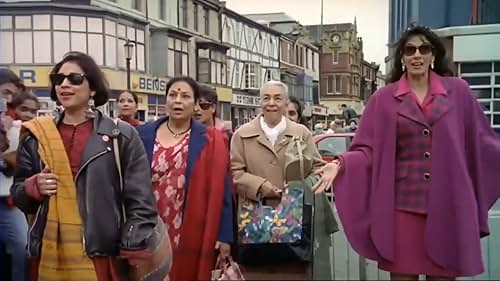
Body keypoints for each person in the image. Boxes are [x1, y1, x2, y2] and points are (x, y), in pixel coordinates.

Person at [315, 25, 500, 280]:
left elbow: (482, 142)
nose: (417, 55)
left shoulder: (459, 93)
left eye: (424, 49)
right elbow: (367, 149)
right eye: (409, 49)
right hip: (402, 208)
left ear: (433, 54)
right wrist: (339, 164)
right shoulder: (383, 99)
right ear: (401, 57)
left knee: (443, 275)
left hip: (448, 205)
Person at [11, 52, 160, 281]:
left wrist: (132, 243)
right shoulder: (36, 135)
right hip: (48, 256)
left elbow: (140, 199)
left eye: (75, 79)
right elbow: (19, 196)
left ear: (92, 88)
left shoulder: (121, 135)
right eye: (59, 79)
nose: (65, 85)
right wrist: (33, 187)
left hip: (100, 254)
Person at [230, 81, 338, 280]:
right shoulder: (241, 135)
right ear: (259, 102)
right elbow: (235, 174)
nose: (271, 103)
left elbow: (317, 169)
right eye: (266, 98)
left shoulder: (301, 133)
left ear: (286, 103)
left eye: (277, 98)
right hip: (255, 225)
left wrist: (298, 188)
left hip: (295, 225)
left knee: (292, 273)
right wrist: (262, 187)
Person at [137, 76, 233, 281]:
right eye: (173, 95)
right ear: (166, 101)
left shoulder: (211, 140)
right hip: (148, 224)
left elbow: (222, 190)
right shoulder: (142, 135)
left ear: (195, 103)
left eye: (185, 96)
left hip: (190, 226)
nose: (178, 100)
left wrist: (225, 236)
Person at [0, 71, 29, 281]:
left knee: (21, 246)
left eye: (13, 93)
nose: (8, 98)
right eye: (4, 92)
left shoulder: (18, 123)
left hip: (9, 200)